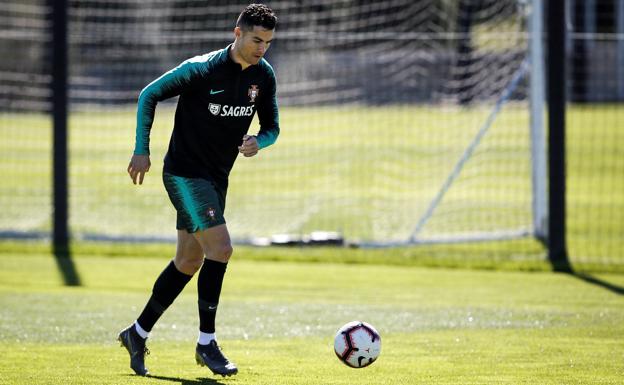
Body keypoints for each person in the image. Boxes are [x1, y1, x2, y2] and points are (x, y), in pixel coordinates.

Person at [117, 4, 279, 377]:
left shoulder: (264, 76)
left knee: (189, 261)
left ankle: (136, 333)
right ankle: (207, 343)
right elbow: (149, 95)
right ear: (237, 33)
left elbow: (273, 127)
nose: (262, 49)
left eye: (268, 42)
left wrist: (260, 142)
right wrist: (142, 149)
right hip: (184, 174)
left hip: (216, 179)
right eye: (256, 39)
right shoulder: (201, 69)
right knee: (221, 249)